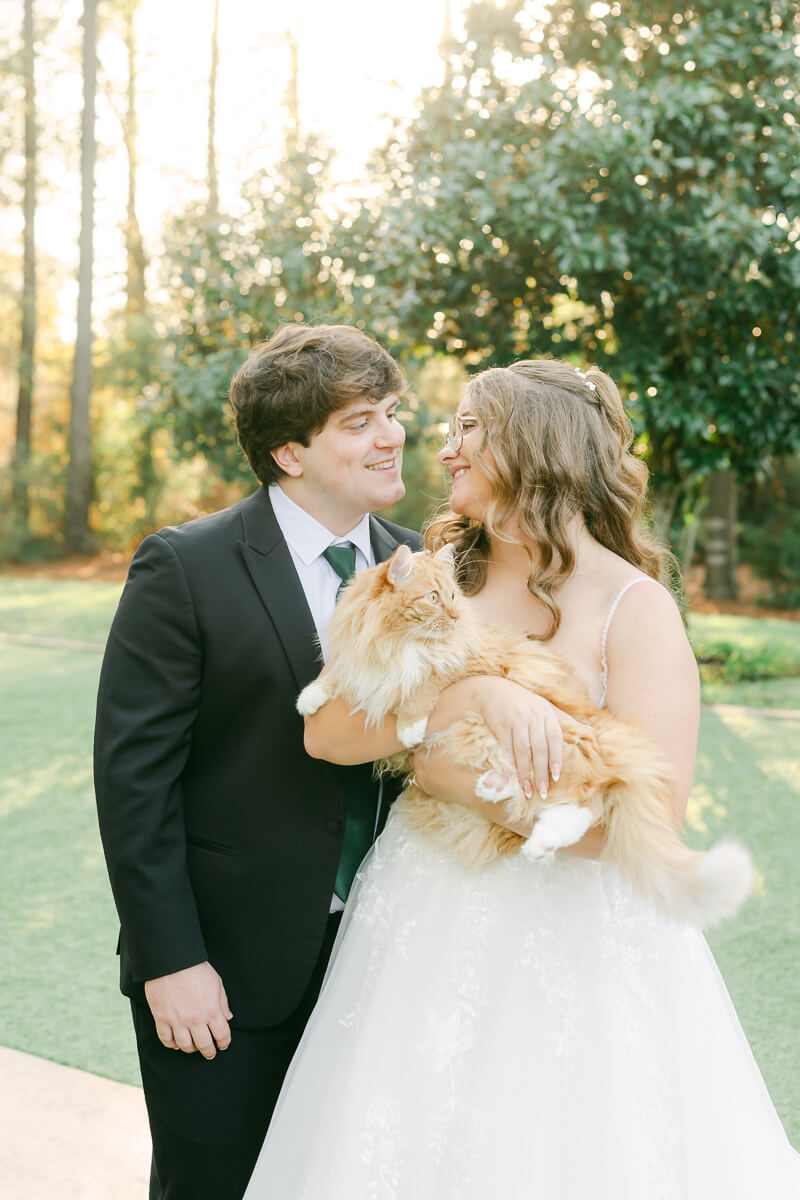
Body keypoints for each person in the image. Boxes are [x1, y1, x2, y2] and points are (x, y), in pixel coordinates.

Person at [243, 359, 800, 1198]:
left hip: (573, 944)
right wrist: (470, 692)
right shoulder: (440, 573)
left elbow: (646, 823)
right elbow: (327, 731)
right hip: (418, 920)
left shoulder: (632, 609)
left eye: (469, 427)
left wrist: (452, 778)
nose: (446, 445)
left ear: (536, 446)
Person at [94, 323, 425, 1200]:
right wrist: (171, 963)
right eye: (359, 420)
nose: (390, 434)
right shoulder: (186, 565)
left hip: (381, 960)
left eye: (391, 412)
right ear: (288, 450)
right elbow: (134, 785)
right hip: (223, 973)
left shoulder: (424, 563)